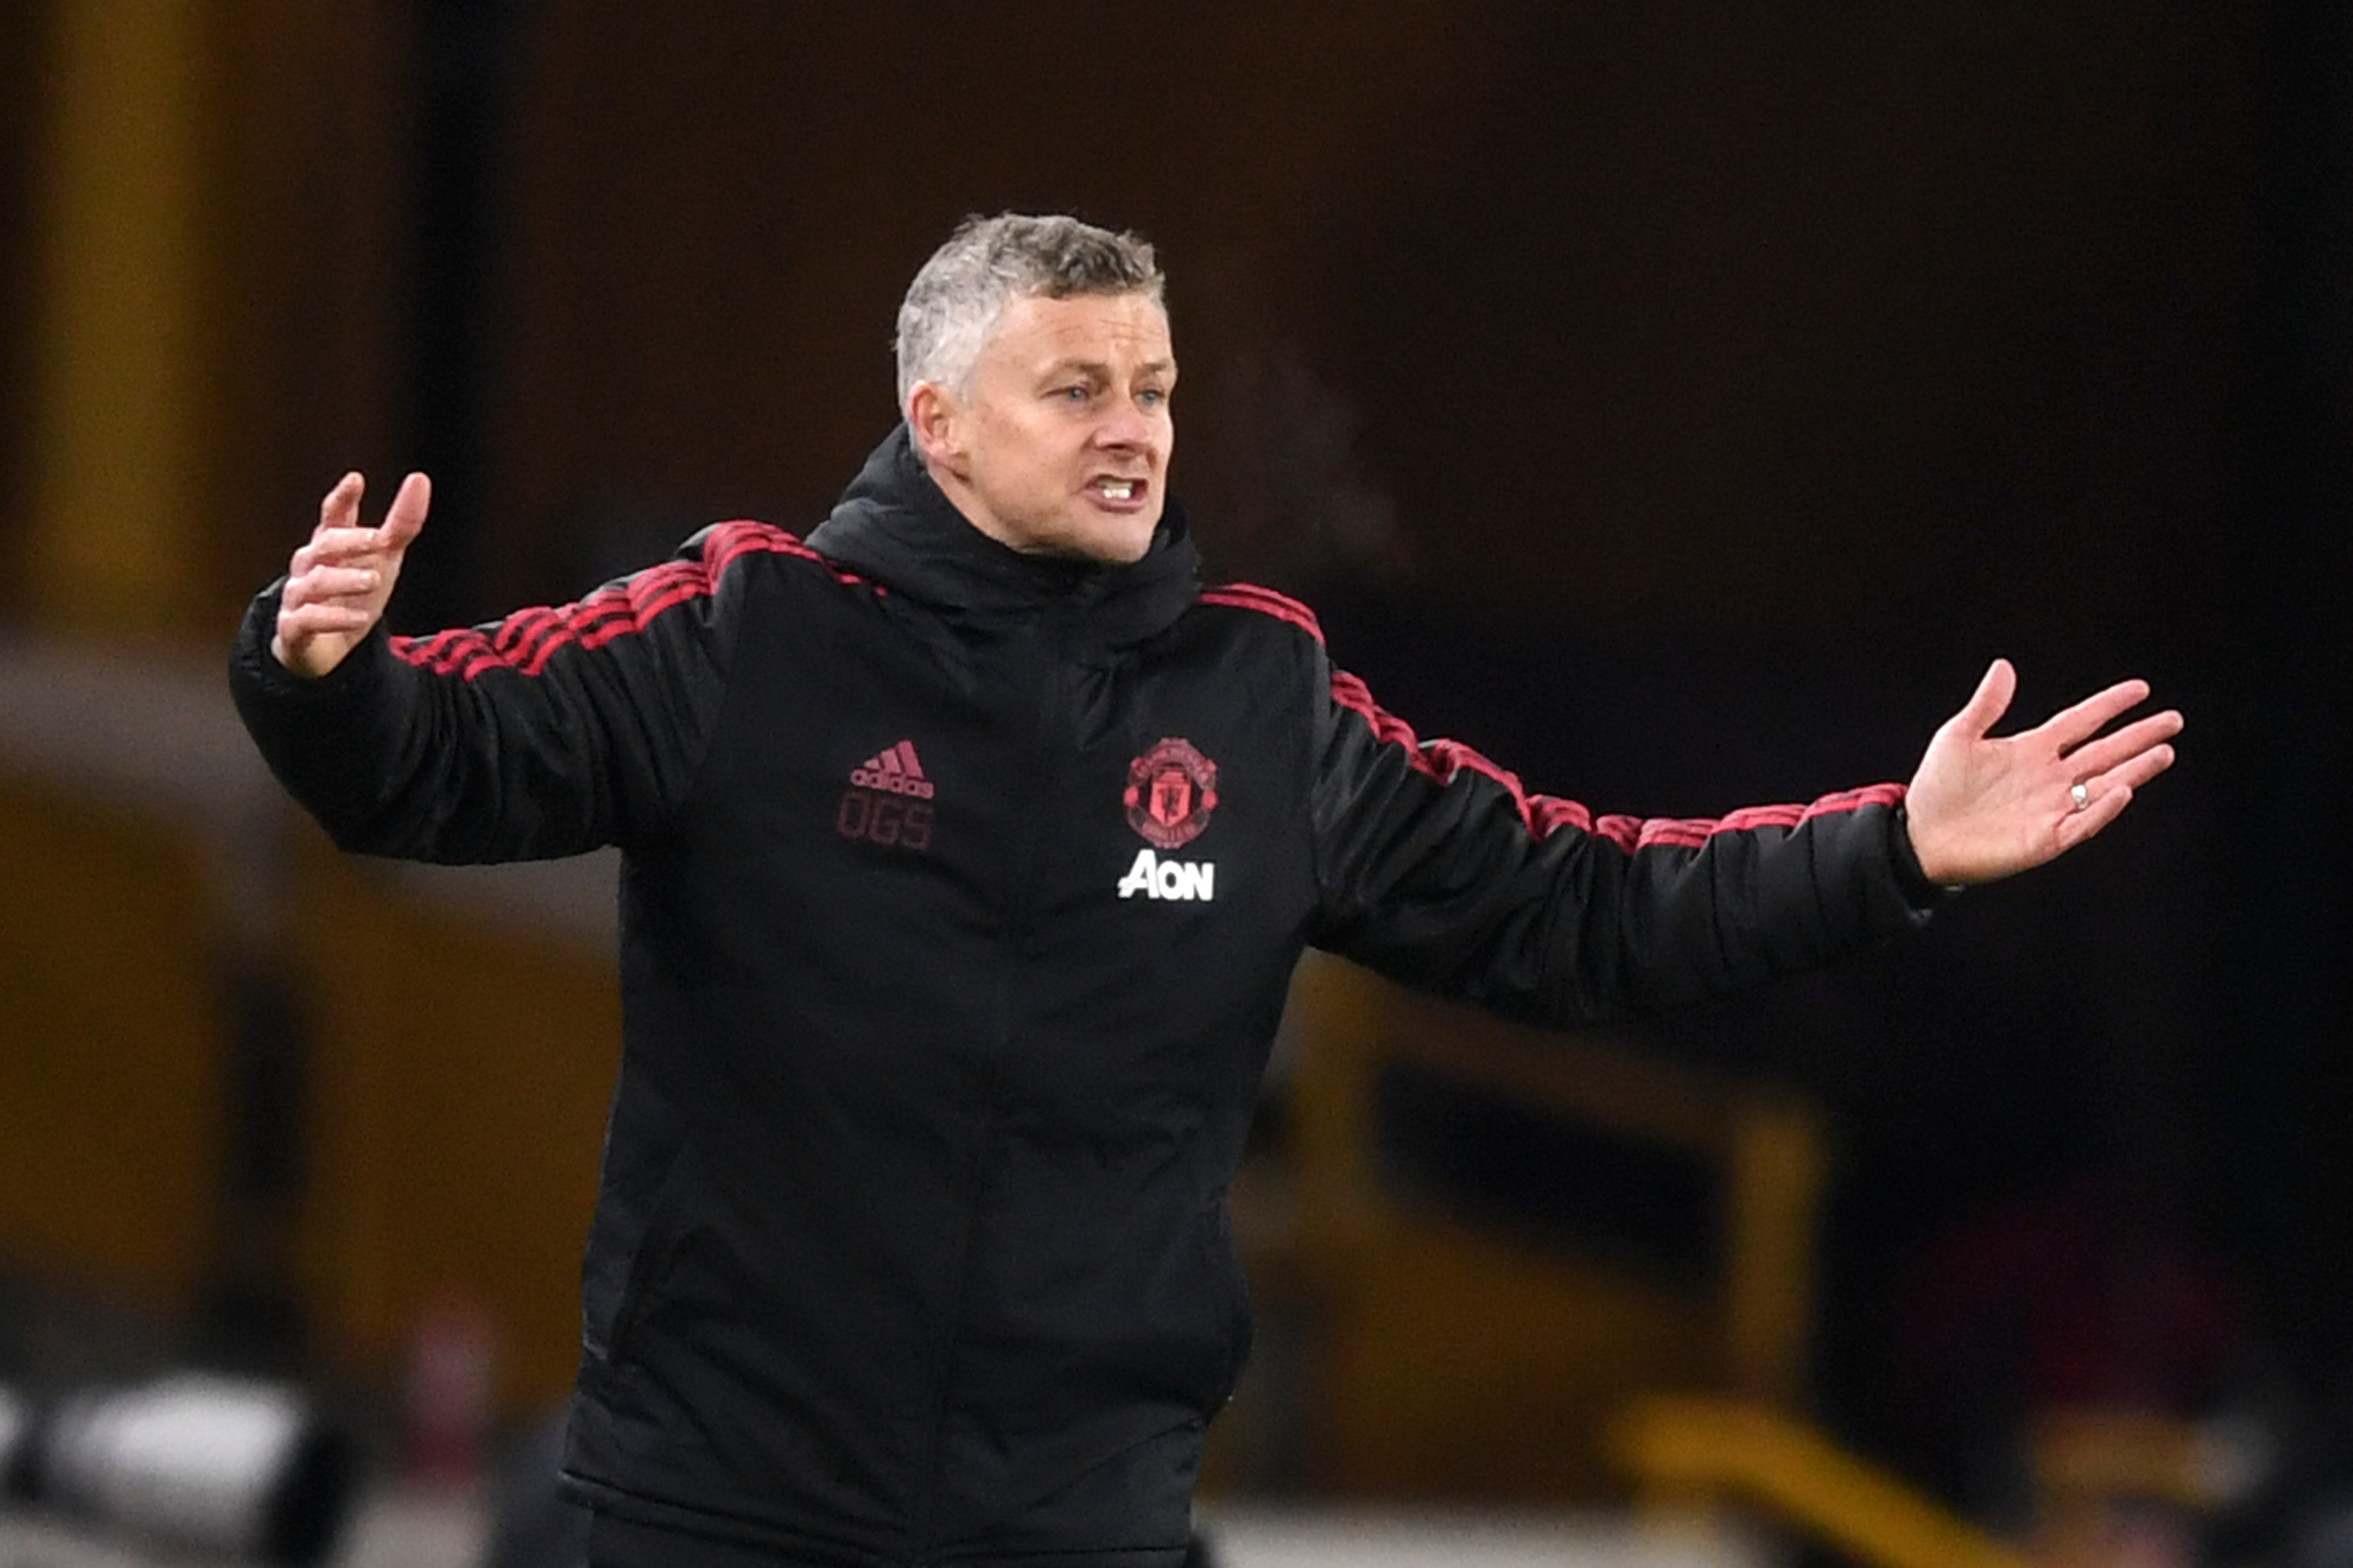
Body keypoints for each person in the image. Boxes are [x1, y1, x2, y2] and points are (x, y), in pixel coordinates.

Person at [228, 213, 2180, 1568]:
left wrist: (1894, 850)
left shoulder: (1262, 700)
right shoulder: (749, 631)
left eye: (1154, 385)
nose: (1136, 425)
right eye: (1075, 386)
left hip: (1080, 1513)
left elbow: (1582, 906)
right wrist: (322, 676)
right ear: (938, 424)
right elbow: (440, 769)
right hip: (726, 1504)